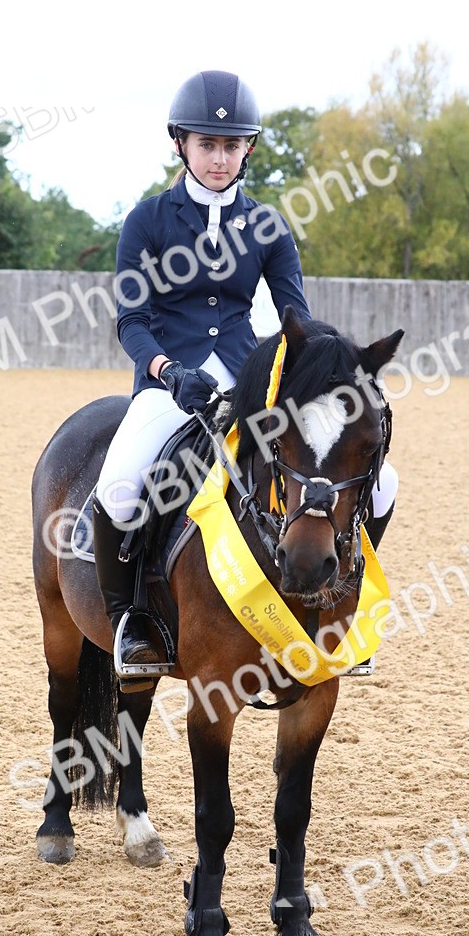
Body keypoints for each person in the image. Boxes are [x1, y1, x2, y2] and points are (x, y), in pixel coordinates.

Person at [92, 69, 397, 680]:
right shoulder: (146, 221)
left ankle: (340, 595)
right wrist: (166, 370)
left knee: (383, 483)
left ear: (248, 149)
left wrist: (327, 377)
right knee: (122, 485)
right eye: (208, 144)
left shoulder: (267, 227)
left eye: (232, 146)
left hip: (248, 384)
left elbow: (298, 324)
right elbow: (132, 320)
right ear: (180, 142)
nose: (220, 158)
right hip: (168, 385)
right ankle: (135, 624)